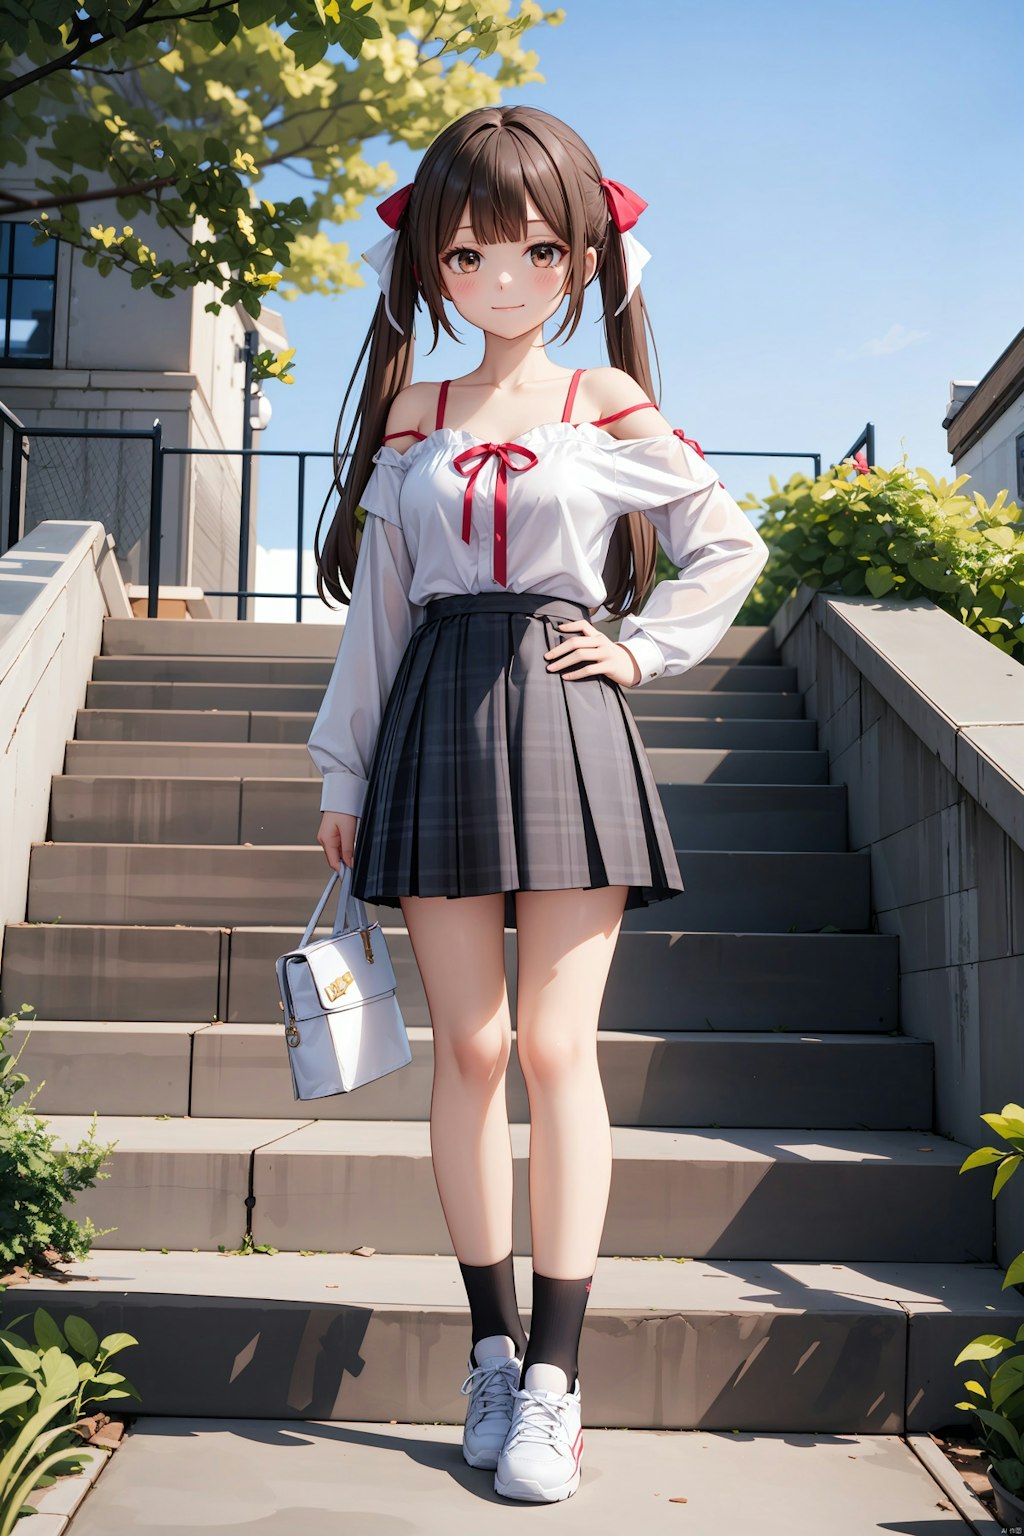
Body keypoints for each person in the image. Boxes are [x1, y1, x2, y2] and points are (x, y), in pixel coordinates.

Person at [306, 104, 770, 1505]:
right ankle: (493, 1352)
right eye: (471, 255)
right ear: (434, 268)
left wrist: (641, 647)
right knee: (473, 1048)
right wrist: (344, 768)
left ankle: (558, 1383)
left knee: (560, 1050)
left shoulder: (604, 405)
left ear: (579, 258)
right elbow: (381, 613)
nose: (503, 281)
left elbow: (725, 540)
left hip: (567, 710)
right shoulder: (416, 418)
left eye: (534, 251)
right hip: (439, 710)